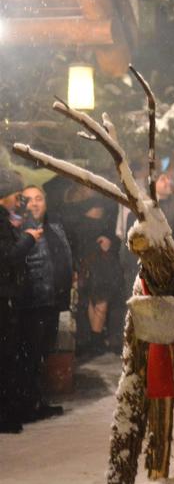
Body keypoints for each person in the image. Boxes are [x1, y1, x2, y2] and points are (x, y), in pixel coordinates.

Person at [15, 186, 72, 422]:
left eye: (39, 198)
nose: (35, 204)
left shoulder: (54, 225)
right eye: (29, 200)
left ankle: (38, 400)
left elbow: (63, 256)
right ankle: (28, 404)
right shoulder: (19, 229)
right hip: (31, 302)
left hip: (52, 301)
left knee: (44, 352)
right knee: (31, 354)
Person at [63, 184, 123, 355]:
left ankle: (92, 340)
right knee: (98, 298)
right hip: (95, 257)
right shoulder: (96, 204)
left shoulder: (73, 210)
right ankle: (94, 340)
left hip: (88, 256)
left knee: (93, 298)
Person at [0, 169, 37, 433]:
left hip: (8, 296)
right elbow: (8, 257)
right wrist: (28, 239)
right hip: (4, 297)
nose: (19, 201)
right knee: (6, 357)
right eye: (15, 196)